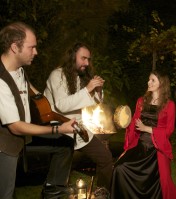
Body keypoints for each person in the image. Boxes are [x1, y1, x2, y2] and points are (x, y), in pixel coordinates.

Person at [0, 22, 77, 199]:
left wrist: (48, 107)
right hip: (5, 147)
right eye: (32, 47)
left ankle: (52, 189)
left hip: (23, 139)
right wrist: (58, 128)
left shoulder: (19, 69)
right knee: (5, 194)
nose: (36, 52)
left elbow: (28, 87)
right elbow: (16, 127)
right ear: (14, 47)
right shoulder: (1, 81)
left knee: (63, 144)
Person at [44, 42, 113, 197]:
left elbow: (94, 101)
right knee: (59, 175)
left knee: (106, 158)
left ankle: (101, 192)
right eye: (83, 58)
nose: (87, 63)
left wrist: (98, 90)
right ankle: (51, 192)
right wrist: (88, 89)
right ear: (72, 55)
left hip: (78, 129)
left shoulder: (78, 77)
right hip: (60, 130)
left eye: (88, 59)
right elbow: (62, 105)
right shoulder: (57, 75)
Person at [110, 70, 176, 199]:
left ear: (162, 83)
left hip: (157, 148)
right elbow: (134, 123)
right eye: (149, 80)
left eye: (152, 80)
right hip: (140, 145)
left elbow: (169, 131)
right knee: (119, 168)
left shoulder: (169, 105)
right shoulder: (141, 101)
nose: (148, 82)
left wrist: (147, 128)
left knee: (163, 181)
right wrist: (124, 123)